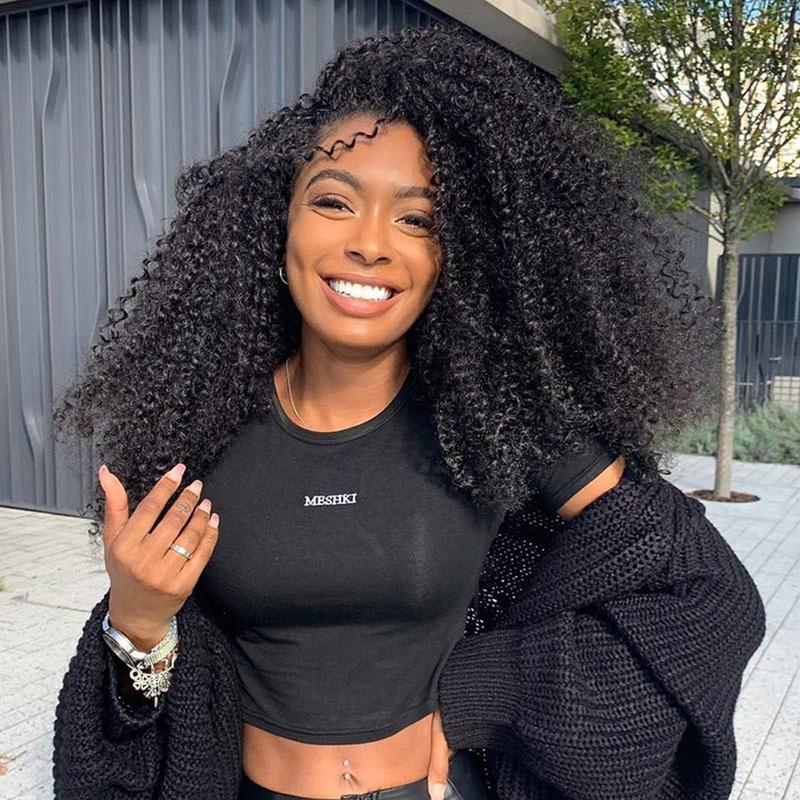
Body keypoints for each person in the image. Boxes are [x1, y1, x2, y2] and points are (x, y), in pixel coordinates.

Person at [50, 20, 766, 800]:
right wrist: (137, 623)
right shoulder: (201, 432)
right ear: (275, 229)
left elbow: (705, 589)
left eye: (417, 219)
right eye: (334, 201)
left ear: (459, 257)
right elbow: (136, 722)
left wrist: (489, 689)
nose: (371, 243)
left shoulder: (496, 426)